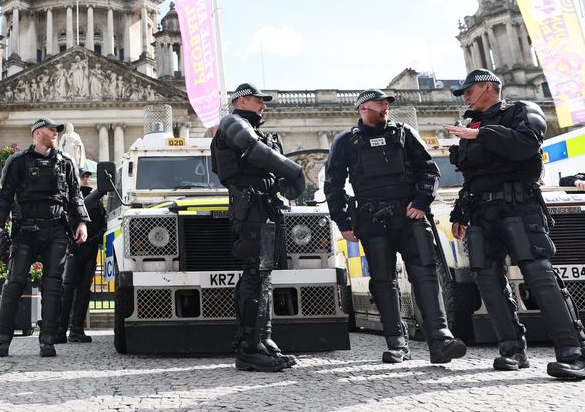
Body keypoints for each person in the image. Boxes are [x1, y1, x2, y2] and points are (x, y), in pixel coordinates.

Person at [444, 69, 585, 380]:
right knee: (487, 279)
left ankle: (573, 352)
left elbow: (525, 145)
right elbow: (472, 178)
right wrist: (459, 213)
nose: (465, 97)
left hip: (519, 206)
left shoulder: (521, 111)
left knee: (539, 275)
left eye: (469, 91)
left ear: (488, 88)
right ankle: (512, 350)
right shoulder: (472, 125)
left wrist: (482, 135)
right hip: (481, 211)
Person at [325, 89, 466, 364]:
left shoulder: (404, 134)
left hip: (409, 215)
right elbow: (334, 185)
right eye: (380, 104)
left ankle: (440, 340)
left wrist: (422, 200)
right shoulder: (346, 142)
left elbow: (429, 169)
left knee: (425, 274)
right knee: (383, 282)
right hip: (371, 218)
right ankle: (397, 344)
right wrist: (342, 221)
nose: (385, 108)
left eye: (387, 104)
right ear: (363, 108)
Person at [210, 83, 306, 372]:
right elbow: (253, 150)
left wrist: (283, 182)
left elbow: (265, 167)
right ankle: (250, 348)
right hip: (251, 209)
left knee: (262, 276)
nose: (263, 105)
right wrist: (294, 170)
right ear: (241, 100)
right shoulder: (232, 122)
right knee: (255, 275)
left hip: (264, 207)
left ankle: (262, 340)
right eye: (257, 100)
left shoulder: (252, 128)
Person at [0, 117, 90, 357]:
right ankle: (2, 340)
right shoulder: (18, 162)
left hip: (56, 230)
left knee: (54, 286)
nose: (55, 132)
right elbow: (4, 196)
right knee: (14, 282)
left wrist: (82, 222)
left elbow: (75, 195)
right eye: (51, 129)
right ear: (37, 133)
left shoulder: (66, 163)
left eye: (57, 130)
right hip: (25, 230)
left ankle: (48, 340)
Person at [55, 168, 108, 344]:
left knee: (84, 291)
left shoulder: (97, 202)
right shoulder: (69, 198)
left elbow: (103, 225)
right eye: (82, 176)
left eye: (87, 176)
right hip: (74, 250)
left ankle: (77, 329)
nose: (86, 179)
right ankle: (60, 330)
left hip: (90, 250)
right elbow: (64, 221)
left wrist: (92, 240)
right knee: (67, 289)